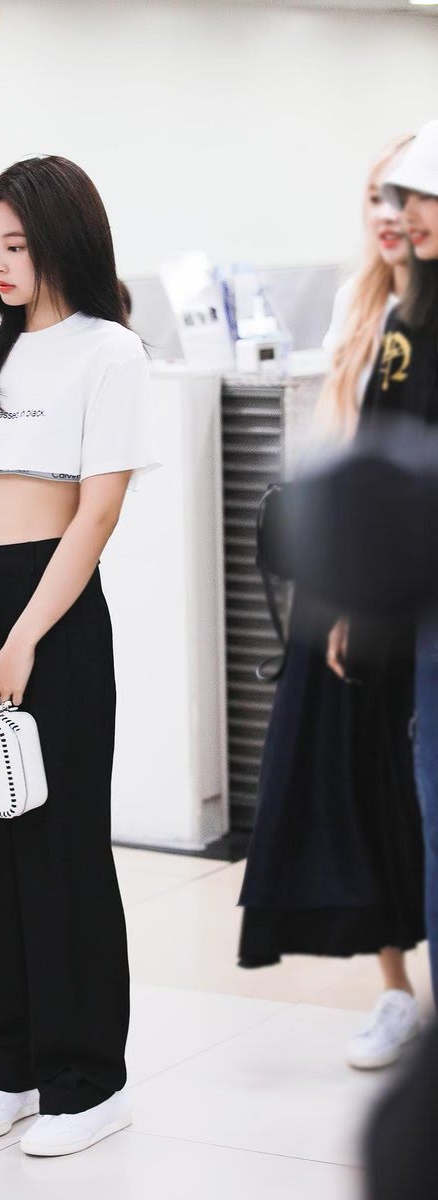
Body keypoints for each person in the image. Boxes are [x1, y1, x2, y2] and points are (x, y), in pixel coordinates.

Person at [0, 155, 159, 1156]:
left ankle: (87, 1081)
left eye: (16, 243)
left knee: (61, 847)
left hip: (51, 604)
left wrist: (24, 637)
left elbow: (97, 513)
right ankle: (10, 1065)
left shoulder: (110, 351)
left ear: (62, 239)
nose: (0, 262)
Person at [238, 136, 427, 1072]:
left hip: (407, 581)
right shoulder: (364, 304)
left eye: (408, 197)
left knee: (416, 782)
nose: (390, 214)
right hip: (357, 579)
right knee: (364, 781)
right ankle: (395, 990)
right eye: (376, 197)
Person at [376, 120, 438, 1011]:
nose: (409, 213)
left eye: (425, 196)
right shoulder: (408, 321)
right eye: (403, 196)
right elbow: (383, 460)